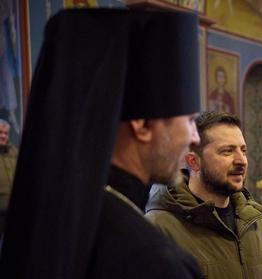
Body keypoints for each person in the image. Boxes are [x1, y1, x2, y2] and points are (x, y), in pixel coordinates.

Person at [0, 9, 203, 278]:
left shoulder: (60, 216)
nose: (195, 137)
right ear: (142, 125)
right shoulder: (153, 263)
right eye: (189, 121)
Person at [145, 111, 262, 279]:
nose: (241, 160)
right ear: (194, 162)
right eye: (227, 151)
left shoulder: (254, 221)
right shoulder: (160, 228)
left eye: (243, 150)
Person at [0, 119, 17, 233]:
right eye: (0, 133)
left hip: (15, 210)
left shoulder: (14, 151)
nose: (3, 136)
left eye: (6, 133)